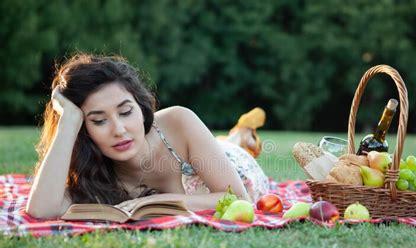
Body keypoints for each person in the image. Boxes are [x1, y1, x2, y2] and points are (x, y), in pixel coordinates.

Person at [26, 53, 269, 219]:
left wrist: (149, 204)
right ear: (84, 130)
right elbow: (41, 210)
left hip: (236, 166)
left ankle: (242, 134)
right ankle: (238, 134)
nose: (119, 129)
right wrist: (68, 122)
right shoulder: (93, 174)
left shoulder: (177, 121)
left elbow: (239, 200)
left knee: (228, 146)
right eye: (99, 120)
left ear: (141, 108)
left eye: (125, 112)